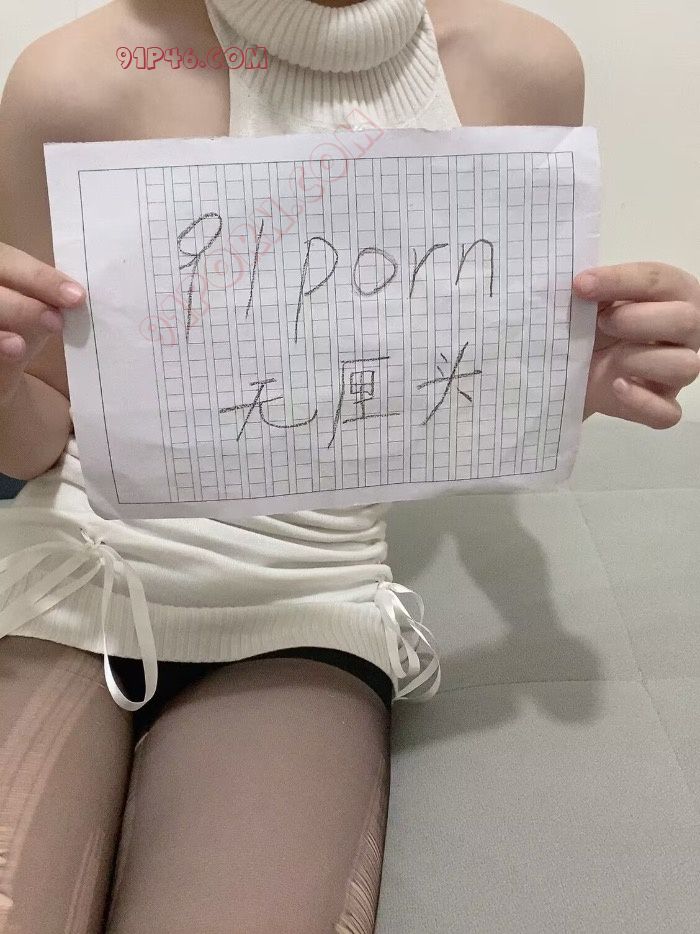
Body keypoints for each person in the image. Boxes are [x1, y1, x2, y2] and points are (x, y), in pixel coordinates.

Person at [0, 0, 698, 931]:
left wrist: (579, 377)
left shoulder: (521, 67)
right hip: (71, 577)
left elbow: (463, 385)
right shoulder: (75, 79)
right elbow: (36, 439)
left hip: (308, 598)